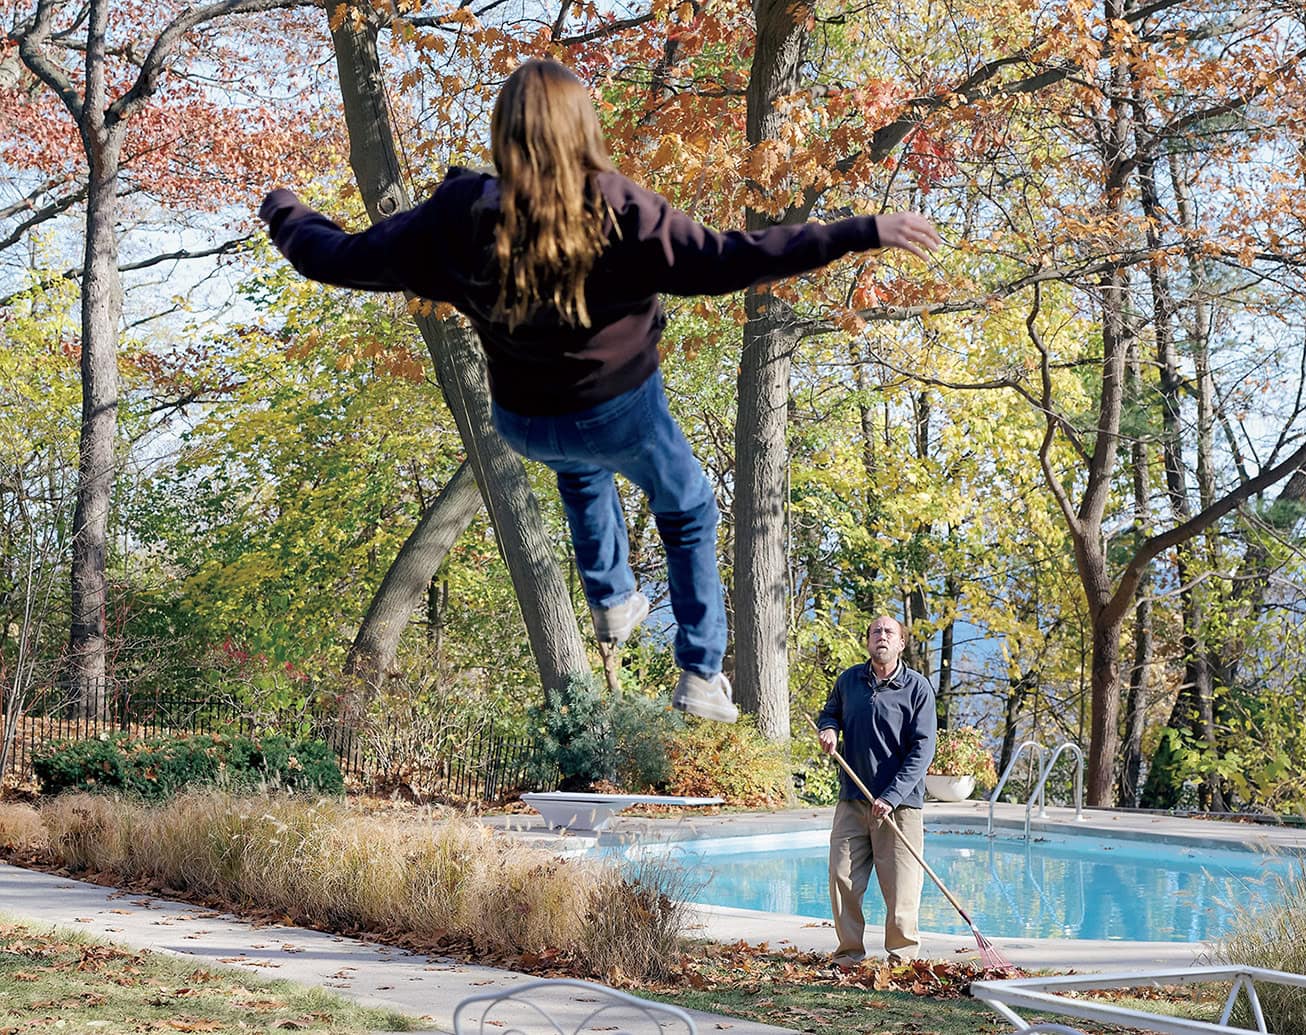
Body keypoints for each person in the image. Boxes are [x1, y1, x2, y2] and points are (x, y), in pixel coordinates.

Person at [258, 59, 941, 723]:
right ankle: (701, 672)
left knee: (578, 470)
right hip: (620, 411)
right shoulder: (618, 209)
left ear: (504, 134)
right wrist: (860, 230)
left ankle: (613, 599)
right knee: (689, 506)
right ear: (583, 129)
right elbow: (731, 258)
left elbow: (337, 258)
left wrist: (286, 209)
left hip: (525, 419)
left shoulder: (458, 215)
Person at [816, 614, 936, 964]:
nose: (881, 636)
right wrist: (829, 729)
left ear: (901, 643)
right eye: (875, 631)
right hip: (853, 800)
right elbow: (831, 712)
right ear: (868, 641)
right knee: (842, 878)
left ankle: (901, 959)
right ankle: (849, 955)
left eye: (889, 632)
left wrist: (891, 796)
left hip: (900, 806)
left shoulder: (917, 688)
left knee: (901, 889)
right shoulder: (849, 680)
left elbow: (922, 750)